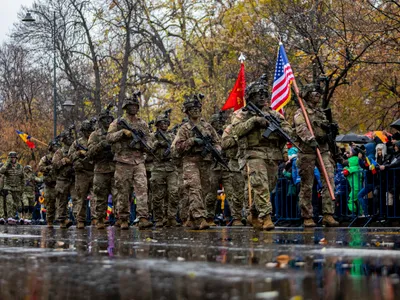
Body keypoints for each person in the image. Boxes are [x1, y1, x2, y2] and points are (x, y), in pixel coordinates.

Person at [231, 75, 293, 230]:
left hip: (272, 155)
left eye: (265, 95)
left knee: (270, 185)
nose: (262, 98)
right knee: (260, 186)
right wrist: (254, 121)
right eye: (259, 95)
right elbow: (237, 130)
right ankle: (266, 217)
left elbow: (288, 130)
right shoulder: (243, 114)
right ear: (251, 97)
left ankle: (252, 211)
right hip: (253, 154)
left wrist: (279, 129)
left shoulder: (274, 114)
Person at [172, 94, 221, 230]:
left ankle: (190, 217)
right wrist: (192, 141)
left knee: (204, 191)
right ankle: (200, 218)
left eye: (197, 108)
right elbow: (177, 148)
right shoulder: (184, 129)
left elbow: (217, 142)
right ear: (187, 112)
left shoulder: (208, 127)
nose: (195, 111)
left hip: (205, 162)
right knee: (195, 188)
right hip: (190, 162)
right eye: (192, 109)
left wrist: (216, 150)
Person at [293, 84, 339, 227]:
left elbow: (326, 130)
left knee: (329, 179)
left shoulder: (322, 113)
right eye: (315, 92)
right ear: (307, 95)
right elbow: (300, 128)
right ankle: (307, 216)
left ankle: (328, 214)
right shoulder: (301, 112)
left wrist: (332, 130)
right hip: (308, 151)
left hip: (323, 149)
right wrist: (309, 139)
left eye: (320, 93)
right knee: (307, 184)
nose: (318, 95)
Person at [107, 92, 153, 230]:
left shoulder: (142, 124)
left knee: (142, 189)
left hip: (138, 161)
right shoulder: (118, 123)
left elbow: (149, 141)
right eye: (130, 106)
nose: (133, 108)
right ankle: (123, 218)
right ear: (126, 107)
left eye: (135, 106)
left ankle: (143, 217)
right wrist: (122, 133)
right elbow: (108, 138)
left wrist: (145, 146)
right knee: (123, 191)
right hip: (122, 161)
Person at [87, 108, 115, 229]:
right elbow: (90, 153)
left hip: (114, 168)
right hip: (100, 169)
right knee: (100, 196)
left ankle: (120, 218)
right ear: (101, 121)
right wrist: (101, 145)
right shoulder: (95, 135)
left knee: (120, 195)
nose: (108, 121)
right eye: (105, 119)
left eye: (110, 119)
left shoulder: (115, 133)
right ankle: (100, 219)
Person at [150, 113, 179, 227]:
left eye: (166, 122)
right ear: (157, 124)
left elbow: (177, 149)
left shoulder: (172, 136)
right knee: (157, 195)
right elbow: (148, 149)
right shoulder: (153, 136)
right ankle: (158, 218)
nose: (164, 124)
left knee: (174, 193)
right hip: (158, 167)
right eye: (162, 122)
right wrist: (158, 144)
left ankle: (171, 217)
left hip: (171, 167)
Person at [69, 120, 95, 229]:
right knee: (81, 197)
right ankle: (80, 219)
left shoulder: (94, 140)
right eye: (86, 131)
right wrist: (78, 153)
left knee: (96, 197)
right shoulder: (77, 143)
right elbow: (70, 156)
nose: (88, 133)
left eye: (90, 130)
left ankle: (96, 218)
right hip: (82, 173)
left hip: (94, 170)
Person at [221, 123, 246, 226]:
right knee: (238, 192)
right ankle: (237, 217)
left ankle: (252, 215)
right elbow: (224, 144)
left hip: (249, 160)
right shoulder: (230, 128)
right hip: (235, 164)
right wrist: (235, 139)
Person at [52, 130, 75, 229]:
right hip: (62, 179)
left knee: (77, 199)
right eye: (68, 138)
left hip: (74, 178)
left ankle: (79, 218)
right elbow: (55, 164)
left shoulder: (75, 149)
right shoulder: (60, 152)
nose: (70, 139)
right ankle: (63, 220)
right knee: (62, 200)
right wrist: (64, 161)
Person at [38, 141, 60, 228]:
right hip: (49, 184)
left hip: (59, 182)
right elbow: (40, 168)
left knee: (60, 203)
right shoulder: (46, 158)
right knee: (50, 203)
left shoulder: (60, 157)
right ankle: (50, 221)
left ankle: (61, 219)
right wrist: (49, 168)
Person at [0, 152, 24, 222]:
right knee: (9, 202)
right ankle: (10, 218)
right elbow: (1, 171)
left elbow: (23, 178)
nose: (13, 159)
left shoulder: (20, 166)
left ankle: (12, 216)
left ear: (16, 158)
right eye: (11, 158)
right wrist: (7, 162)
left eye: (14, 157)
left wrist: (22, 188)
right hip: (8, 188)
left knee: (16, 204)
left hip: (17, 188)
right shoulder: (6, 166)